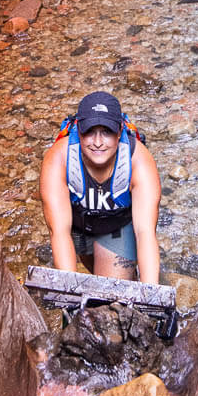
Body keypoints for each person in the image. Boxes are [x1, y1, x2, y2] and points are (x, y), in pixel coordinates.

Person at [40, 91, 162, 284]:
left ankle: (130, 278)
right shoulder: (59, 158)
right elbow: (59, 231)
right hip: (78, 226)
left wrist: (151, 294)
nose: (97, 142)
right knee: (85, 286)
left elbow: (145, 232)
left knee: (111, 298)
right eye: (89, 131)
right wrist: (70, 298)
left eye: (106, 132)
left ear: (120, 130)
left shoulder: (138, 160)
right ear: (78, 129)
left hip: (116, 227)